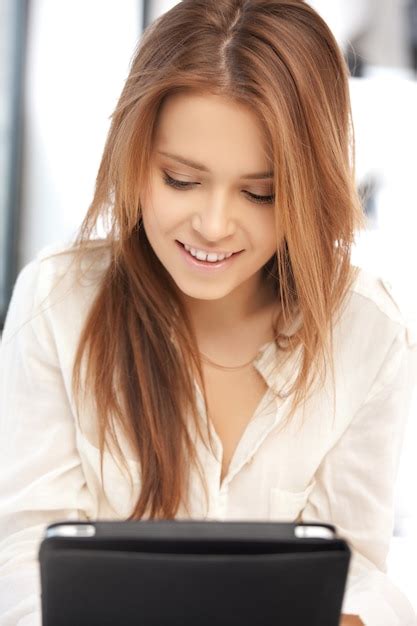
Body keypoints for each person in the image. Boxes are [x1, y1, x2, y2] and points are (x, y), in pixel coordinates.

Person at [0, 1, 416, 625]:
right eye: (180, 180)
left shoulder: (366, 329)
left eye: (259, 193)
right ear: (135, 157)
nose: (214, 225)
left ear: (308, 188)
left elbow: (353, 571)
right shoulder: (58, 303)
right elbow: (25, 562)